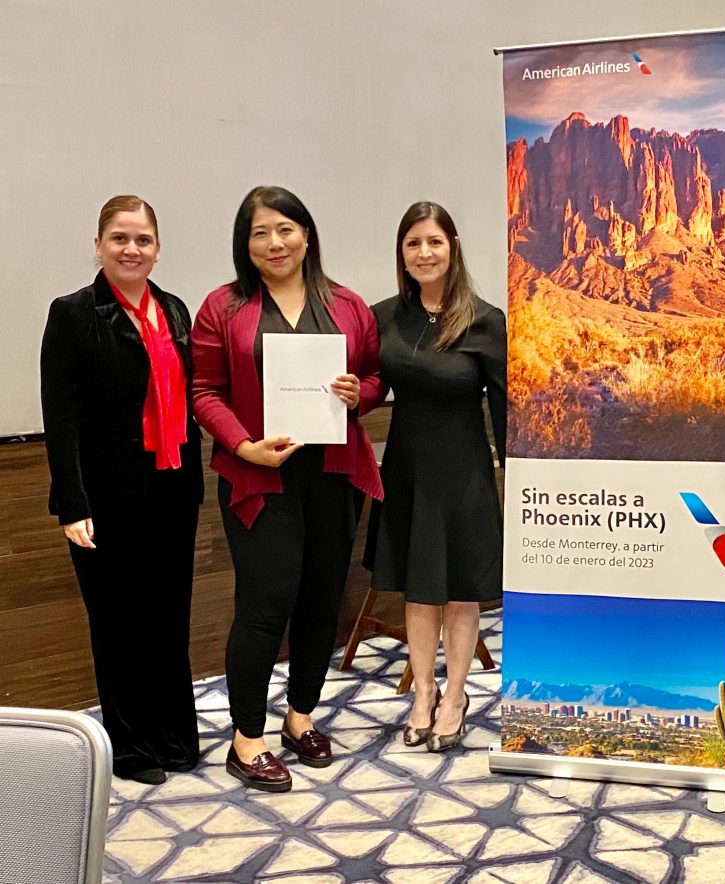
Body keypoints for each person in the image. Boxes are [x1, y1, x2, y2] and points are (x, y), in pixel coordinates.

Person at [191, 186, 384, 792]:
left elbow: (374, 378)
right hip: (259, 475)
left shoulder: (348, 305)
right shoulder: (222, 307)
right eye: (260, 232)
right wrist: (242, 444)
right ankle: (246, 740)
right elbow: (203, 391)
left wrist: (359, 395)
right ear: (244, 243)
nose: (274, 243)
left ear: (306, 235)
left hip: (332, 474)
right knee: (265, 603)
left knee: (322, 600)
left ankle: (300, 718)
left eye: (285, 229)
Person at [40, 195, 204, 785]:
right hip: (105, 498)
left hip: (173, 489)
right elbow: (60, 418)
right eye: (119, 238)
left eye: (143, 240)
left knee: (168, 618)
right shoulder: (72, 314)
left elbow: (190, 397)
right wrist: (72, 503)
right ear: (99, 245)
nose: (131, 249)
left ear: (157, 249)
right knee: (119, 623)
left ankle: (175, 738)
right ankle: (133, 750)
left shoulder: (175, 310)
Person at [366, 201, 506, 753]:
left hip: (465, 471)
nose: (424, 253)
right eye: (413, 244)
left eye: (434, 242)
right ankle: (422, 693)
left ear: (453, 248)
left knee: (460, 591)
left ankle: (455, 697)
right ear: (401, 253)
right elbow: (372, 386)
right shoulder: (383, 316)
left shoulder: (486, 320)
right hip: (406, 469)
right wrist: (353, 394)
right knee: (420, 589)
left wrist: (518, 474)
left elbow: (505, 406)